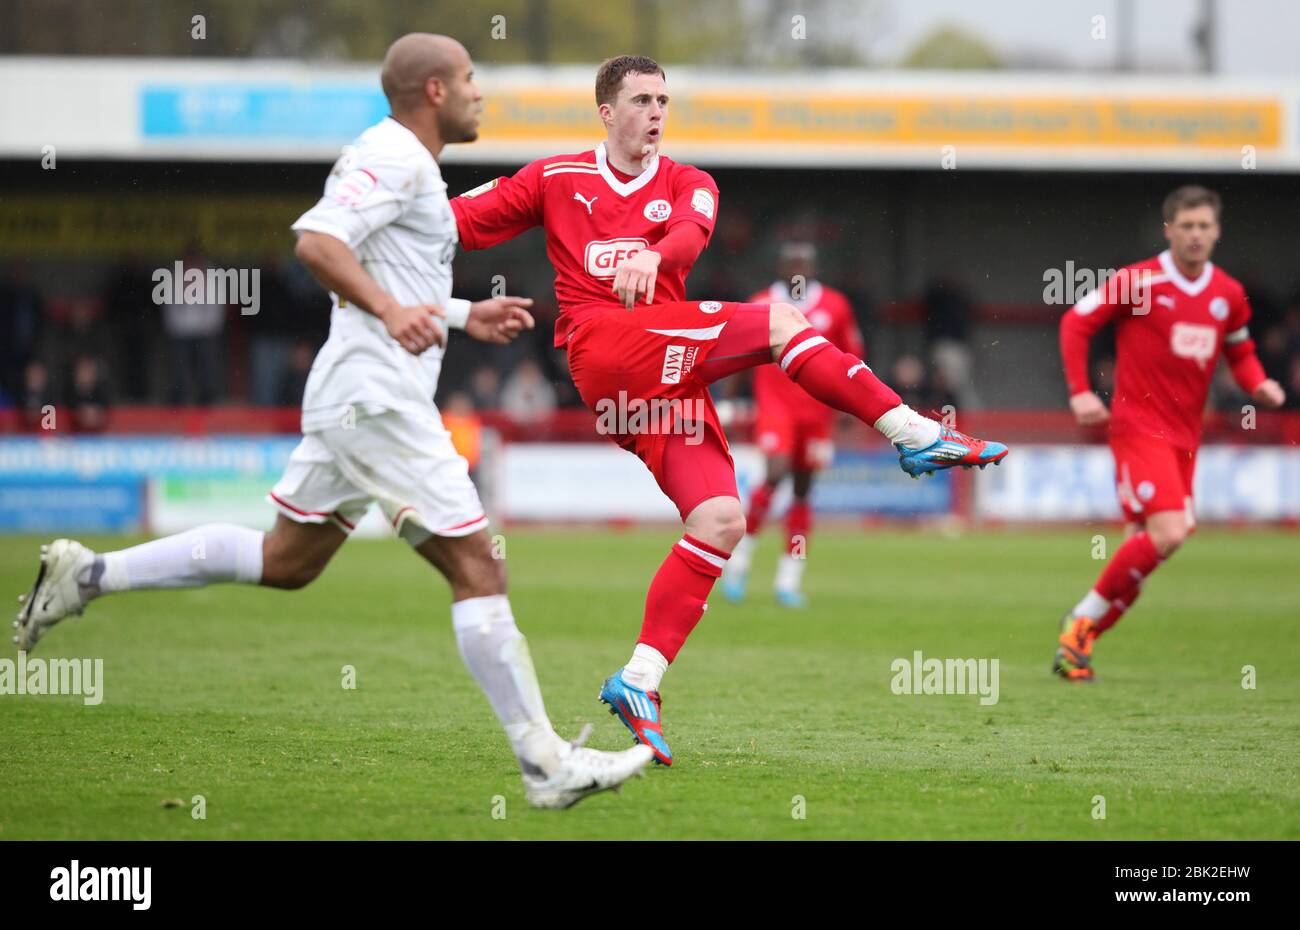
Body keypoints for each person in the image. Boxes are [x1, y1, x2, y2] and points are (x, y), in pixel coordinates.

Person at [15, 33, 652, 808]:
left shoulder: (403, 161)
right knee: (480, 566)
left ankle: (88, 575)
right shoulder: (397, 157)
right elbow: (318, 244)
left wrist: (458, 313)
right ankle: (546, 766)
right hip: (376, 396)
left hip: (356, 393)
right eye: (470, 77)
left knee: (288, 560)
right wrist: (391, 310)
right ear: (436, 93)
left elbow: (379, 268)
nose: (482, 91)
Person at [450, 54, 1008, 765]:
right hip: (605, 348)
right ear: (605, 112)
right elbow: (460, 221)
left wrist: (655, 255)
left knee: (721, 520)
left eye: (664, 99)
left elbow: (690, 233)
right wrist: (386, 221)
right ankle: (914, 431)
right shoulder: (555, 178)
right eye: (642, 99)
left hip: (664, 377)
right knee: (778, 324)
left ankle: (639, 679)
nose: (656, 111)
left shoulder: (689, 182)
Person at [1054, 185, 1285, 681]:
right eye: (1187, 226)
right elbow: (1075, 322)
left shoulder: (1227, 295)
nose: (1196, 235)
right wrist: (1079, 391)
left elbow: (1240, 353)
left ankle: (1079, 643)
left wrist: (1258, 382)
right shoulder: (1138, 282)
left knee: (1148, 542)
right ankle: (1082, 618)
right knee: (1170, 530)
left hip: (1185, 438)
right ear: (1169, 230)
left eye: (1205, 226)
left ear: (1217, 231)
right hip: (1139, 428)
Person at [721, 242, 866, 608]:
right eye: (791, 263)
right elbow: (738, 353)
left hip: (817, 412)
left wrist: (852, 404)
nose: (797, 269)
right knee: (774, 473)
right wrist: (728, 400)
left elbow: (850, 356)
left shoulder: (835, 306)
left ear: (814, 267)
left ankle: (788, 579)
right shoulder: (759, 303)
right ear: (780, 267)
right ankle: (737, 567)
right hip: (775, 408)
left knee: (802, 491)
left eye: (804, 263)